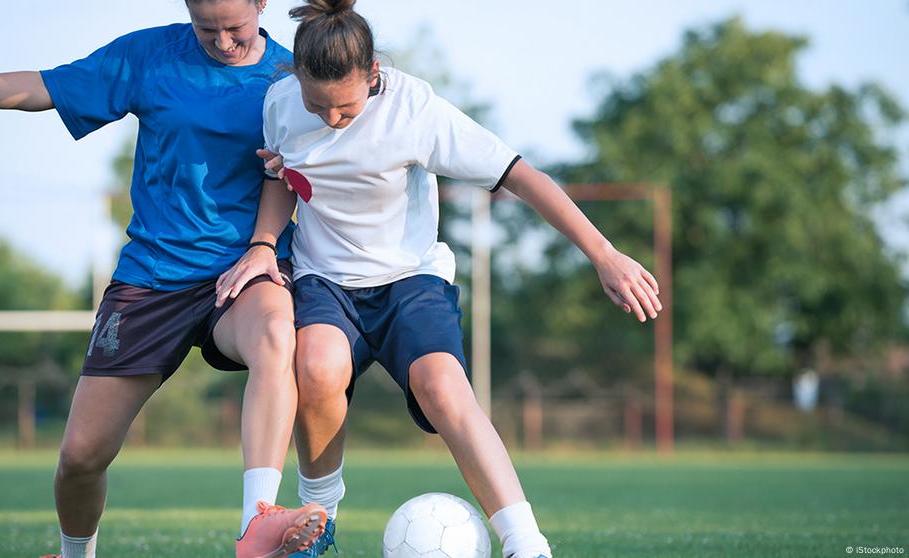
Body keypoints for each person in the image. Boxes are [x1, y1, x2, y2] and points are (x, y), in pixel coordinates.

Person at [214, 1, 665, 556]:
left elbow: (521, 175)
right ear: (296, 78)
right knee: (316, 365)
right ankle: (320, 521)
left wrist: (604, 253)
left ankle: (527, 544)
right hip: (326, 279)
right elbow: (282, 175)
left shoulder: (415, 108)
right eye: (318, 105)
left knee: (443, 387)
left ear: (374, 73)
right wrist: (262, 244)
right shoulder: (281, 102)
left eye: (346, 107)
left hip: (410, 281)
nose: (331, 119)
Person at [0, 1, 328, 557]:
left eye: (235, 27)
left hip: (243, 271)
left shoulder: (287, 79)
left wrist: (263, 246)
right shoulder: (149, 56)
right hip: (152, 280)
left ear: (261, 3)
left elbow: (309, 156)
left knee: (278, 333)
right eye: (207, 29)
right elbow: (41, 86)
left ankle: (258, 519)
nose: (224, 41)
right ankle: (73, 553)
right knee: (81, 459)